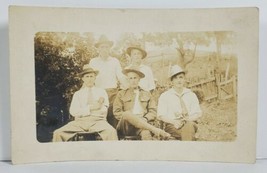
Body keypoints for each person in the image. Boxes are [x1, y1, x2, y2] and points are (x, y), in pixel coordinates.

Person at [52, 66, 118, 141]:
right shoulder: (78, 94)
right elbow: (73, 112)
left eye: (91, 76)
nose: (89, 79)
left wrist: (82, 111)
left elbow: (103, 111)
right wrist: (90, 108)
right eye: (87, 77)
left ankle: (112, 152)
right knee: (58, 133)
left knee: (111, 132)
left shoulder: (101, 92)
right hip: (79, 123)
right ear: (83, 79)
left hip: (98, 122)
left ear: (95, 78)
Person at [113, 68, 171, 140]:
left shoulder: (146, 93)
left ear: (139, 79)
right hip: (126, 126)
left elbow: (153, 111)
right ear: (128, 80)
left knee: (146, 133)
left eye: (135, 78)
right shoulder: (121, 94)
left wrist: (145, 118)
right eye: (130, 78)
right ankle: (156, 130)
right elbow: (117, 112)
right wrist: (133, 118)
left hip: (143, 123)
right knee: (126, 114)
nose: (133, 80)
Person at [88, 35, 127, 128]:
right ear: (98, 49)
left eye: (106, 47)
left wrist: (126, 90)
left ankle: (113, 139)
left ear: (109, 48)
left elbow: (121, 77)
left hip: (112, 94)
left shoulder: (114, 61)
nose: (104, 49)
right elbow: (89, 79)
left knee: (112, 118)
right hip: (98, 93)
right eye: (102, 47)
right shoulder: (93, 62)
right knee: (97, 118)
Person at [157, 65, 202, 141]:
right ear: (172, 81)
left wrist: (187, 120)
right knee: (188, 133)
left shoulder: (191, 95)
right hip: (173, 125)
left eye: (181, 77)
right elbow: (161, 115)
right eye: (175, 78)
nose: (179, 80)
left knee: (188, 127)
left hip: (190, 123)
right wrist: (174, 122)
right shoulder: (165, 96)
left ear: (184, 79)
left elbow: (197, 113)